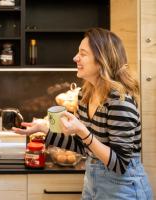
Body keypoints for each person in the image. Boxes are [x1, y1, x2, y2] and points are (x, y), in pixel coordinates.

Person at [13, 27, 153, 200]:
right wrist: (43, 129)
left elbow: (120, 164)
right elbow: (83, 146)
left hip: (123, 188)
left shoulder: (120, 102)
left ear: (101, 60)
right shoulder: (85, 96)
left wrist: (82, 131)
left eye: (83, 53)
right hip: (93, 183)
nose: (75, 58)